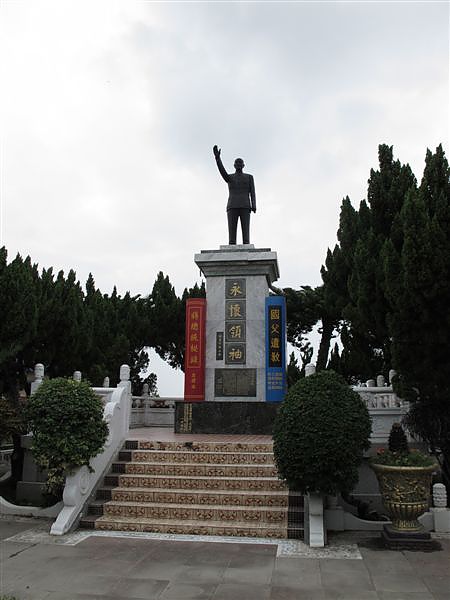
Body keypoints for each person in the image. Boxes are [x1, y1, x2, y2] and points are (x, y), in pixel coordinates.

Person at [213, 145, 256, 245]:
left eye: (240, 163)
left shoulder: (249, 177)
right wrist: (217, 159)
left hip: (245, 205)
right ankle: (231, 246)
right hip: (232, 205)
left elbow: (253, 192)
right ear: (234, 165)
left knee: (246, 234)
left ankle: (246, 245)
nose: (238, 164)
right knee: (232, 236)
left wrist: (254, 204)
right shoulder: (230, 178)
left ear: (243, 165)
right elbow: (222, 172)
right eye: (236, 162)